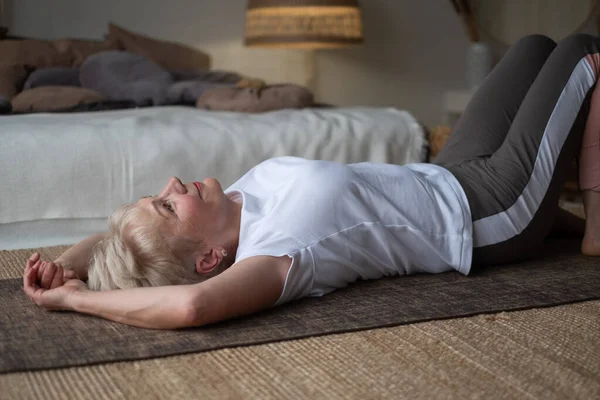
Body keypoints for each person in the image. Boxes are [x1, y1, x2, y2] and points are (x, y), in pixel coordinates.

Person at [23, 34, 600, 330]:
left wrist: (67, 265)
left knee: (532, 49)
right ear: (209, 259)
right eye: (169, 208)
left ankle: (559, 218)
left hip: (449, 173)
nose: (173, 184)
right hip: (489, 213)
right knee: (583, 52)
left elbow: (116, 243)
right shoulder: (277, 252)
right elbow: (192, 307)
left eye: (160, 195)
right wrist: (77, 302)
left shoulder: (237, 203)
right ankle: (591, 222)